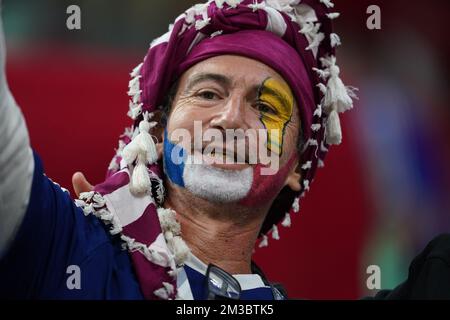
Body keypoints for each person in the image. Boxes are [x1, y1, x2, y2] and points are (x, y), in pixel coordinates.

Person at [1, 0, 449, 300]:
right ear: (157, 131)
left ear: (296, 167)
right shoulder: (65, 247)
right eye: (209, 94)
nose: (231, 118)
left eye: (265, 105)